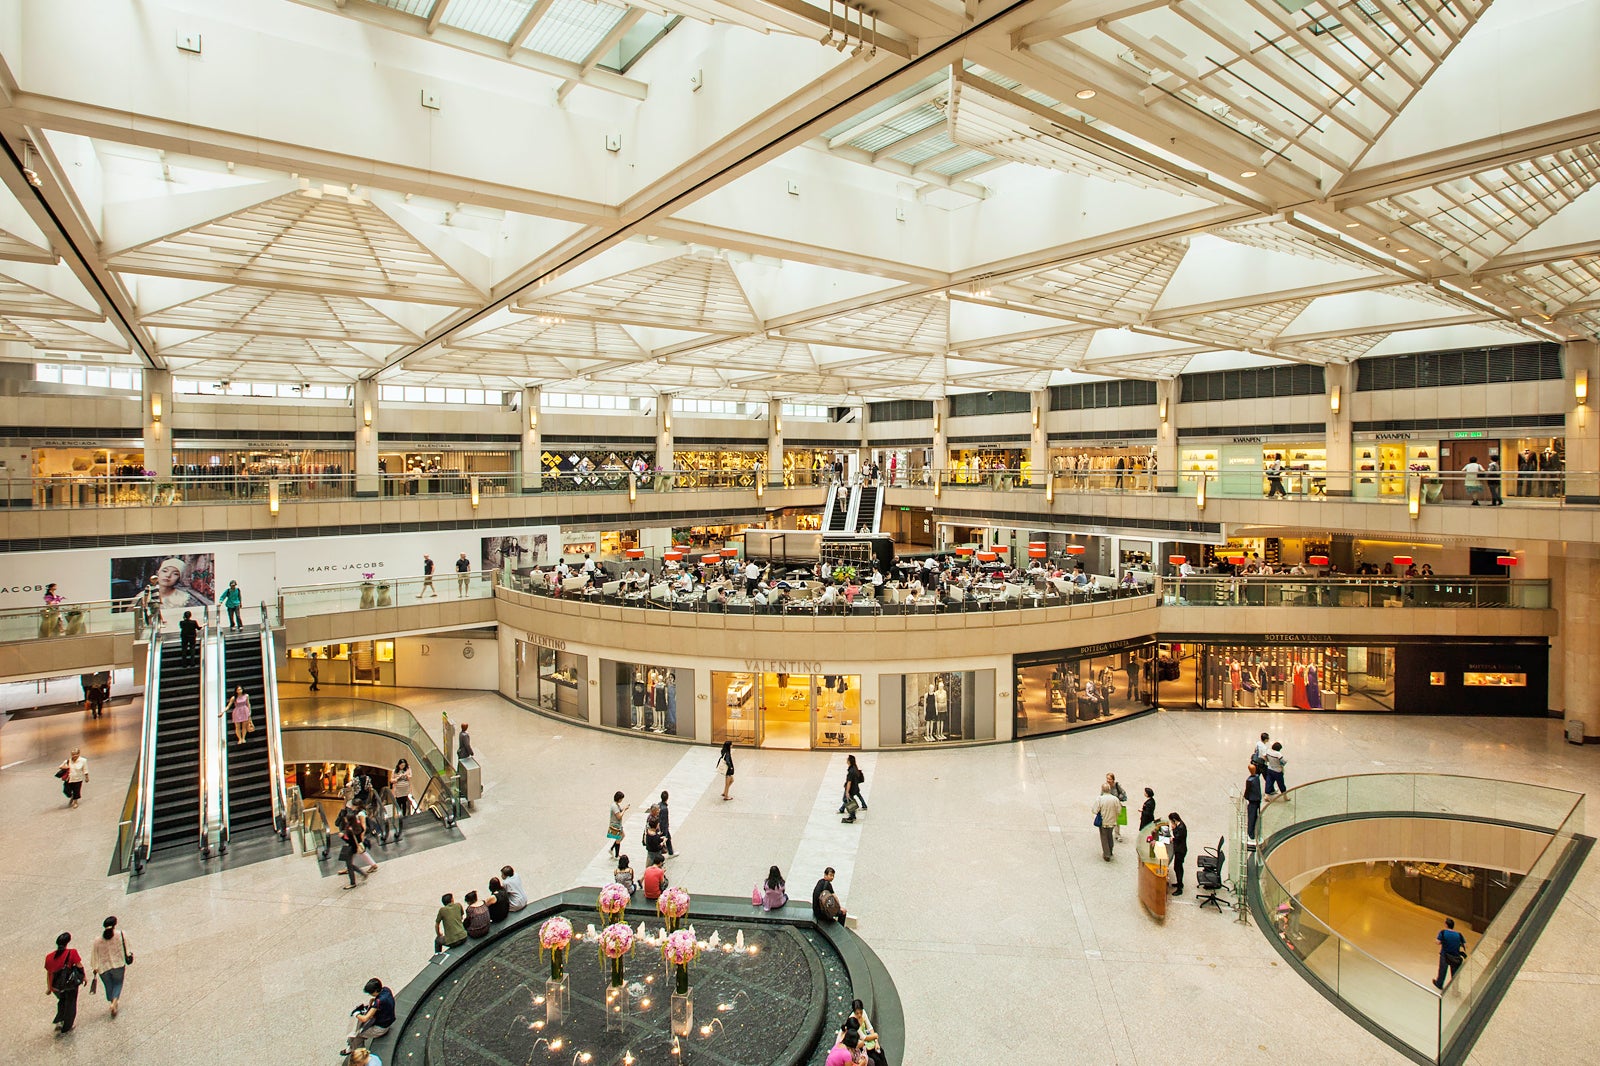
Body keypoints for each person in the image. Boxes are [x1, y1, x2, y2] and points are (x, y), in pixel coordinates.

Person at [89, 916, 130, 1018]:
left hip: (103, 967)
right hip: (118, 964)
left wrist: (94, 967)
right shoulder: (120, 934)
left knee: (108, 985)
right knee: (118, 983)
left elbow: (94, 954)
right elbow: (127, 947)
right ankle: (115, 1001)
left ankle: (112, 1001)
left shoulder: (97, 940)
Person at [343, 977, 395, 1056]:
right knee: (357, 1032)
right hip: (387, 1021)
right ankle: (352, 1047)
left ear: (375, 991)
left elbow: (365, 1018)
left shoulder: (379, 1002)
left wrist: (356, 1014)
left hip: (381, 1028)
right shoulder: (386, 990)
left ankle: (360, 1054)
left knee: (356, 1034)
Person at [46, 931, 84, 1035]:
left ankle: (59, 1020)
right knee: (70, 1004)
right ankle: (67, 1026)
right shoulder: (72, 952)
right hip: (69, 985)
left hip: (56, 986)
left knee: (62, 1001)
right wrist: (84, 977)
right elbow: (79, 966)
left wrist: (49, 987)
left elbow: (49, 973)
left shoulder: (49, 957)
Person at [1434, 918, 1467, 990]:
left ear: (1446, 925)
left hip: (1445, 955)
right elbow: (1465, 945)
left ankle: (1439, 984)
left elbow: (1437, 942)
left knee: (1442, 970)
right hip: (1455, 956)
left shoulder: (1443, 932)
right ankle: (1455, 989)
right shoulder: (1459, 934)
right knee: (1455, 974)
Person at [1093, 783, 1121, 861]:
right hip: (1112, 821)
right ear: (1109, 790)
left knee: (1104, 837)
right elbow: (1119, 810)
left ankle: (1106, 854)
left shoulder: (1100, 799)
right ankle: (1110, 850)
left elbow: (1094, 810)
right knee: (1110, 836)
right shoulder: (1115, 799)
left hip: (1103, 821)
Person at [1168, 812, 1188, 896]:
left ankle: (1180, 887)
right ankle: (1179, 882)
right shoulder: (1180, 825)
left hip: (1180, 850)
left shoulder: (1181, 827)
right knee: (1177, 867)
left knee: (1178, 868)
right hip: (1179, 849)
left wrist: (1173, 829)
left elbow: (1177, 837)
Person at [1105, 772, 1128, 841]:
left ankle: (1117, 834)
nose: (1108, 780)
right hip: (1108, 805)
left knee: (1117, 821)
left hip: (1116, 805)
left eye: (1110, 779)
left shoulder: (1117, 785)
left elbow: (1123, 793)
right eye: (1107, 779)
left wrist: (1118, 797)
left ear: (1113, 779)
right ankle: (1108, 834)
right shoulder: (1105, 786)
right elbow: (1102, 794)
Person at [1245, 761, 1263, 844]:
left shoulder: (1250, 780)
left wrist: (1246, 797)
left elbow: (1247, 792)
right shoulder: (1256, 777)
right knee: (1254, 816)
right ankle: (1253, 833)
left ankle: (1251, 833)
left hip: (1253, 800)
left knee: (1252, 817)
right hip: (1257, 799)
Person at [607, 791, 628, 858]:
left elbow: (619, 811)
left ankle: (612, 848)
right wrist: (624, 810)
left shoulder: (616, 805)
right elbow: (619, 816)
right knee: (618, 839)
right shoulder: (614, 806)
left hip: (618, 824)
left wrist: (624, 808)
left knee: (622, 836)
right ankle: (616, 855)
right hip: (616, 825)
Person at [657, 790, 675, 857]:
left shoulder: (659, 804)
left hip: (660, 826)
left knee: (667, 838)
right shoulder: (664, 809)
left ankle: (670, 852)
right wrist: (665, 830)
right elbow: (664, 820)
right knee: (667, 838)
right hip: (663, 827)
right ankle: (670, 852)